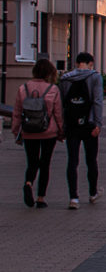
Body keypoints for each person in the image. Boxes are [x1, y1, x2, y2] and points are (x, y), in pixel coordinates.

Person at [13, 59, 64, 209]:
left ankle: (28, 183)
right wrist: (61, 131)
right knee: (45, 163)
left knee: (32, 161)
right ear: (50, 73)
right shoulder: (53, 89)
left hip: (29, 131)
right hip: (48, 131)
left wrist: (17, 132)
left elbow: (17, 113)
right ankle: (41, 198)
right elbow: (58, 114)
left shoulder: (23, 89)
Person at [60, 52, 104, 209]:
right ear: (90, 63)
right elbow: (98, 101)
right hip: (89, 124)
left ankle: (73, 198)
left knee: (72, 161)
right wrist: (98, 123)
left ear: (77, 62)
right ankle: (92, 193)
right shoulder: (95, 77)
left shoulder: (65, 78)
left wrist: (62, 126)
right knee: (91, 160)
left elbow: (62, 104)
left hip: (71, 125)